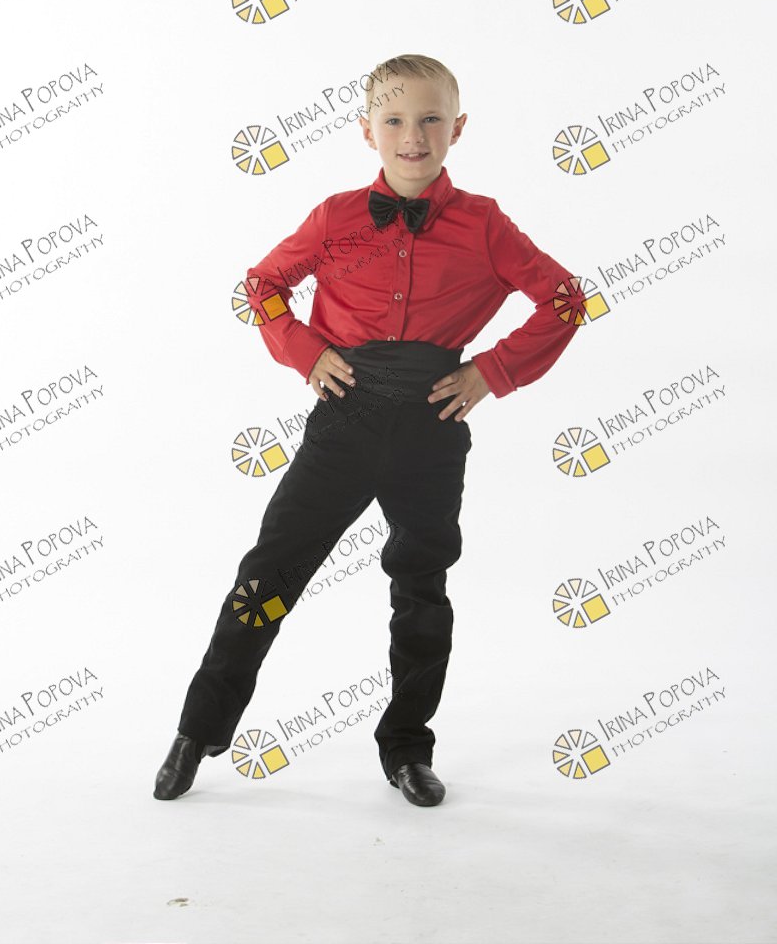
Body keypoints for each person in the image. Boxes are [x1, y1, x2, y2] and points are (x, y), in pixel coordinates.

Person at [154, 53, 587, 807]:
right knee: (270, 572)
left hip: (431, 425)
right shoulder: (334, 217)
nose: (412, 136)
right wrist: (305, 350)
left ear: (457, 128)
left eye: (430, 119)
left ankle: (407, 748)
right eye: (394, 120)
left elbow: (566, 300)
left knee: (421, 586)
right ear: (367, 131)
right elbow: (261, 287)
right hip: (344, 422)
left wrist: (491, 372)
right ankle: (198, 730)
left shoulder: (485, 223)